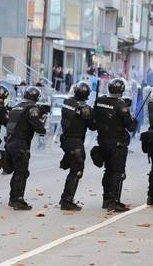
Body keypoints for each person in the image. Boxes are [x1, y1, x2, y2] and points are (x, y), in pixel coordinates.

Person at [94, 78, 136, 212]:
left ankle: (106, 199)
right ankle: (114, 201)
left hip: (103, 142)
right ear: (122, 90)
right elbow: (130, 127)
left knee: (108, 171)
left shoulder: (99, 101)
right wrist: (133, 120)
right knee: (118, 173)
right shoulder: (121, 105)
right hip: (117, 144)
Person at [5, 86, 47, 210]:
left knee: (17, 172)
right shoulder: (32, 108)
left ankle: (13, 199)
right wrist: (43, 118)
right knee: (22, 173)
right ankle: (18, 200)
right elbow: (40, 129)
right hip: (20, 143)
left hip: (10, 142)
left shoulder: (17, 106)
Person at [59, 81, 95, 211]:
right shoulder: (85, 109)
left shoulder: (67, 102)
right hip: (75, 142)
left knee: (73, 164)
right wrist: (92, 113)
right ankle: (66, 200)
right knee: (77, 171)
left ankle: (66, 161)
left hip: (65, 139)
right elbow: (93, 126)